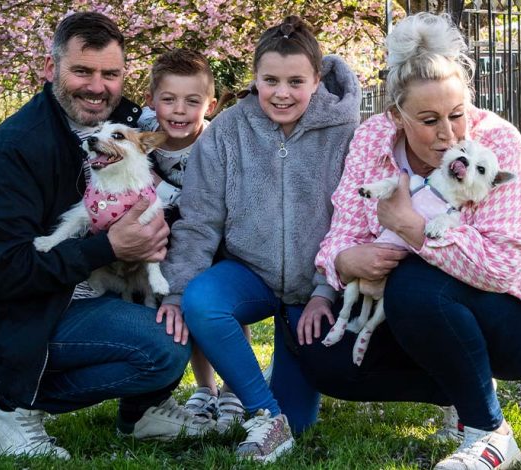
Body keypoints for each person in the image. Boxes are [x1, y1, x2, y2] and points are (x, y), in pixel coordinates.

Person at [293, 12, 521, 470]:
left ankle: (488, 433)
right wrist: (347, 259)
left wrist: (412, 227)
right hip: (429, 304)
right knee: (323, 359)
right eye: (429, 120)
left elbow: (502, 266)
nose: (449, 133)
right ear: (396, 114)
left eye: (457, 115)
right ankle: (464, 383)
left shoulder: (497, 142)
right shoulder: (373, 138)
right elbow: (342, 231)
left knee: (413, 284)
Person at [0, 12, 214, 460]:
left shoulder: (128, 120)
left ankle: (144, 412)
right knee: (162, 346)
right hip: (17, 313)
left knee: (185, 310)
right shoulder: (15, 148)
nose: (97, 87)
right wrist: (106, 247)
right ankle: (10, 403)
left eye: (110, 74)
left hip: (99, 288)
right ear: (51, 69)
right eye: (82, 71)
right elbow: (0, 273)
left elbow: (187, 126)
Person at [158, 16, 361, 462]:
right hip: (249, 273)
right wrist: (174, 292)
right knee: (201, 300)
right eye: (270, 80)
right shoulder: (229, 131)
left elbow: (354, 219)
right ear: (255, 79)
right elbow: (199, 220)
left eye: (295, 81)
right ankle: (264, 415)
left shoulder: (346, 133)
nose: (281, 93)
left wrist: (326, 291)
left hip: (313, 289)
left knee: (303, 421)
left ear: (316, 79)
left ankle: (286, 405)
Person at [138, 48, 248, 428]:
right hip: (167, 240)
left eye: (192, 101)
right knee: (182, 311)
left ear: (211, 104)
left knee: (218, 307)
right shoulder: (141, 138)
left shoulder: (217, 140)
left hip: (217, 237)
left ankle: (234, 390)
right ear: (152, 101)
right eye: (168, 100)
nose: (179, 111)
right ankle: (205, 388)